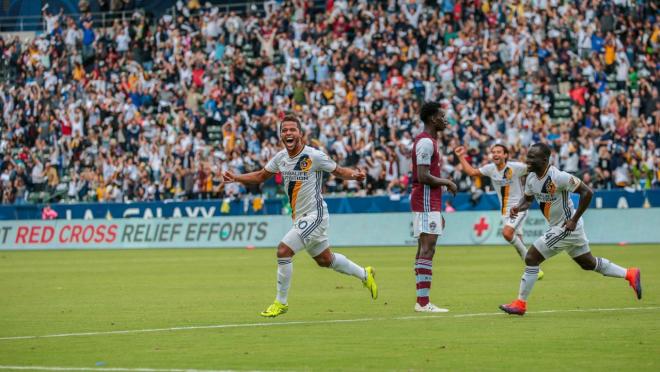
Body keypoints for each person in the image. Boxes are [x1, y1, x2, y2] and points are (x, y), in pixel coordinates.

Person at [223, 114, 377, 317]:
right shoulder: (280, 158)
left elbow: (337, 170)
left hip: (316, 215)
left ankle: (281, 302)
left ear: (300, 134)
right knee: (325, 259)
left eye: (292, 130)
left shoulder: (313, 156)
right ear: (280, 135)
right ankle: (364, 274)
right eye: (284, 130)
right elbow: (261, 176)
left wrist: (354, 175)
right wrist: (236, 177)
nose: (288, 133)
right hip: (300, 218)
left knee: (283, 251)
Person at [499, 143, 642, 316]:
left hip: (566, 227)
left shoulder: (559, 177)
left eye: (532, 157)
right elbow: (528, 201)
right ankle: (630, 273)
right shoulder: (530, 178)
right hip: (564, 227)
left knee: (531, 257)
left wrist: (573, 220)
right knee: (588, 263)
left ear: (544, 159)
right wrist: (517, 208)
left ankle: (520, 303)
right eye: (528, 156)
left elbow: (587, 192)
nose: (527, 160)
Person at [454, 144, 544, 279]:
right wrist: (461, 156)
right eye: (493, 152)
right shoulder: (490, 169)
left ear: (505, 155)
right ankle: (533, 270)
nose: (496, 154)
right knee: (518, 240)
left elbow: (536, 168)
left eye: (499, 152)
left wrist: (542, 161)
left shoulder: (516, 167)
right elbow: (472, 172)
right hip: (504, 212)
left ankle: (533, 265)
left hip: (518, 208)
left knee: (507, 233)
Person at [411, 102, 458, 313]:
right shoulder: (426, 143)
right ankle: (423, 302)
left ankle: (422, 301)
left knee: (425, 247)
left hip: (429, 201)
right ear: (432, 119)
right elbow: (422, 176)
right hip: (426, 200)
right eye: (442, 116)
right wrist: (446, 182)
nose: (445, 120)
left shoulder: (430, 142)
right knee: (427, 248)